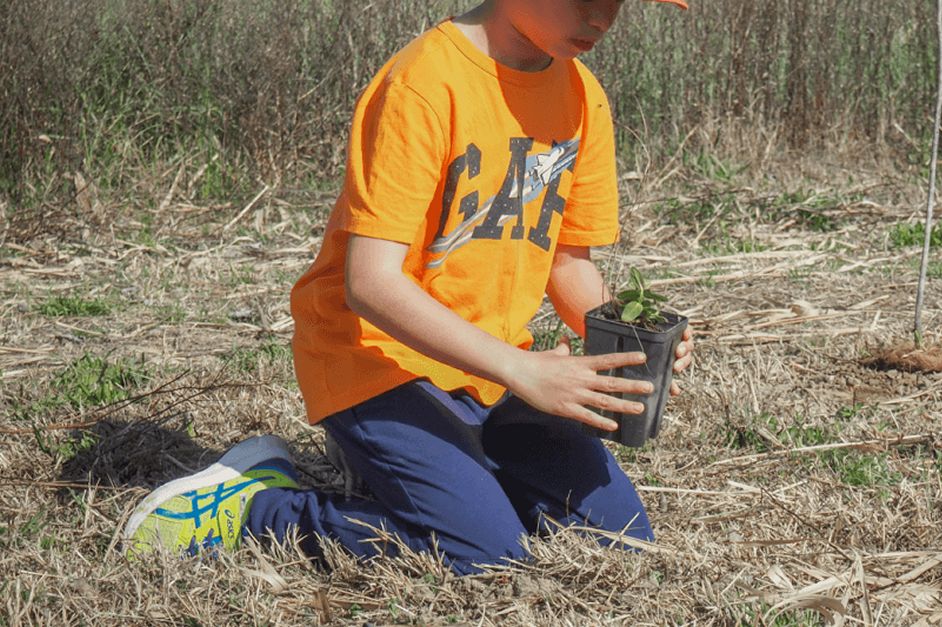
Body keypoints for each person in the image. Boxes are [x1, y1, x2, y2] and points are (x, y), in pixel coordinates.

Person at [122, 0, 694, 575]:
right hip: (376, 360)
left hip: (490, 369)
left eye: (618, 3)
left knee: (620, 540)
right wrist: (523, 372)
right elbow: (371, 284)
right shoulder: (423, 85)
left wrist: (634, 335)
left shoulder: (582, 98)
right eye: (587, 0)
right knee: (484, 556)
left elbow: (568, 264)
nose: (602, 18)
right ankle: (255, 506)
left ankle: (444, 479)